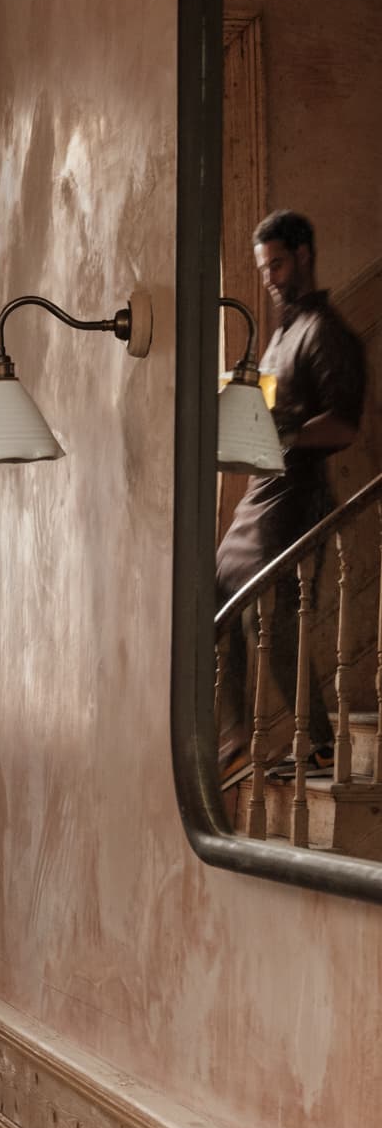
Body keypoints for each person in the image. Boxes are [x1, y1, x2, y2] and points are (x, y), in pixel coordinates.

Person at [217, 210, 366, 782]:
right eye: (264, 268)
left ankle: (322, 743)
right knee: (211, 596)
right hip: (261, 493)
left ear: (304, 254)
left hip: (298, 497)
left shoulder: (326, 331)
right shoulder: (281, 331)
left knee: (271, 621)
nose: (271, 276)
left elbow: (345, 426)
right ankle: (233, 735)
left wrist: (284, 435)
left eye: (277, 262)